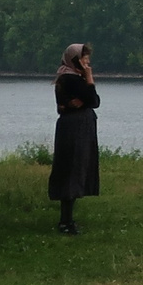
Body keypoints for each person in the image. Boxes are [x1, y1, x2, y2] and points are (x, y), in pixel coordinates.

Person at [49, 43, 100, 234]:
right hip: (76, 130)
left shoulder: (67, 78)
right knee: (72, 170)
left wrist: (81, 99)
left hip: (73, 128)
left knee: (72, 170)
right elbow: (94, 101)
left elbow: (84, 101)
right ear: (75, 60)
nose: (88, 62)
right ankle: (66, 222)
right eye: (84, 58)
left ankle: (67, 220)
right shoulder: (71, 79)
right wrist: (89, 79)